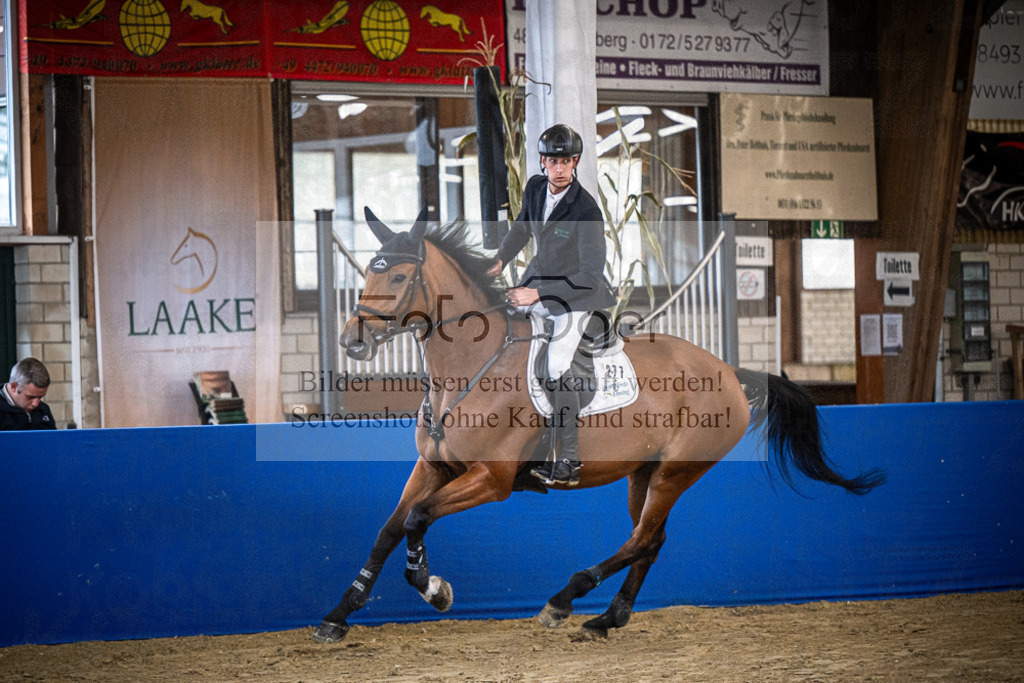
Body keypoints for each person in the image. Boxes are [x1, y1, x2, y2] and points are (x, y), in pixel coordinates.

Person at [487, 124, 615, 486]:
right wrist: (499, 260)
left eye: (567, 162)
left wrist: (539, 295)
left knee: (556, 368)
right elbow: (523, 227)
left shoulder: (587, 211)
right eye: (554, 161)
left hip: (576, 298)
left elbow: (589, 275)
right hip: (538, 284)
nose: (560, 168)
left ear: (575, 163)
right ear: (543, 162)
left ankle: (569, 461)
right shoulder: (535, 187)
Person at [1, 357, 57, 430]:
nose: (36, 404)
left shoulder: (43, 409)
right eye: (30, 397)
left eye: (40, 397)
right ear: (13, 387)